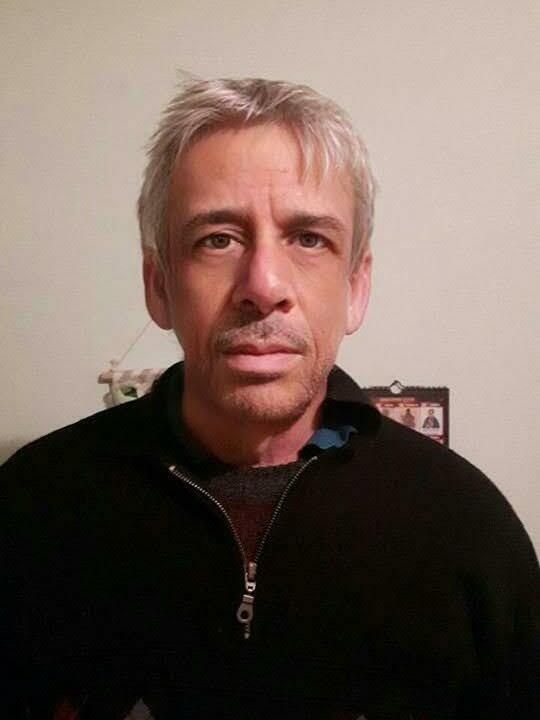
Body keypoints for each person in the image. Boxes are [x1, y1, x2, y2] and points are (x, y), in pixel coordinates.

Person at [1, 78, 539, 720]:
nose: (263, 285)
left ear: (356, 288)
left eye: (309, 238)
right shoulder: (31, 506)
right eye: (217, 238)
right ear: (159, 285)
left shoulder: (469, 531)